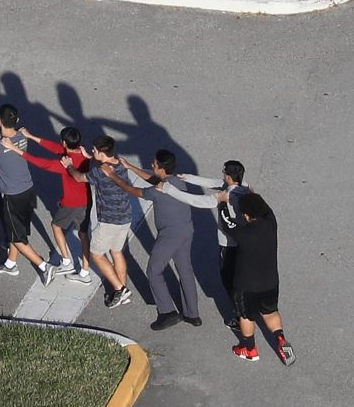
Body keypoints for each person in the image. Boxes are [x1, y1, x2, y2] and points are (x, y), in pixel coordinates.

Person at [105, 151, 213, 330]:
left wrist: (112, 175)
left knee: (154, 271)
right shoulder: (177, 181)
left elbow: (131, 190)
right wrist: (130, 167)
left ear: (162, 169)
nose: (152, 165)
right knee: (185, 270)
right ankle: (192, 314)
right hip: (186, 230)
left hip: (169, 235)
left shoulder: (156, 191)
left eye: (155, 164)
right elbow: (154, 179)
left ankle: (167, 312)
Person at [0, 126, 93, 283]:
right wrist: (31, 136)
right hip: (86, 201)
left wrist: (14, 148)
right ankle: (84, 272)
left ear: (64, 142)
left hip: (72, 204)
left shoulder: (65, 163)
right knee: (83, 234)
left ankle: (66, 262)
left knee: (56, 226)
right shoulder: (83, 154)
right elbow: (54, 148)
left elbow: (40, 163)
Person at [163, 161, 250, 330]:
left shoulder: (225, 198)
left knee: (230, 283)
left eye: (223, 173)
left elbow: (196, 201)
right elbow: (214, 183)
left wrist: (169, 190)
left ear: (228, 176)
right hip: (245, 243)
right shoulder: (244, 187)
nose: (222, 176)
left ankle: (241, 318)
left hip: (228, 246)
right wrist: (188, 178)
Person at [0, 105, 56, 286]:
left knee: (17, 237)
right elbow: (9, 134)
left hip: (12, 196)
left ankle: (43, 265)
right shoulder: (23, 136)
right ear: (17, 121)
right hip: (28, 191)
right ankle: (10, 263)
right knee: (16, 230)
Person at [62, 135, 133, 308]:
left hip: (109, 220)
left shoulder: (100, 172)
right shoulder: (120, 164)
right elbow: (98, 165)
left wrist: (69, 165)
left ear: (102, 153)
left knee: (96, 254)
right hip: (125, 217)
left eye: (94, 150)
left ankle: (119, 289)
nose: (91, 151)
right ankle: (121, 290)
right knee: (116, 252)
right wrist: (90, 157)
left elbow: (79, 177)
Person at [227, 193, 295, 365]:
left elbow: (227, 223)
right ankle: (279, 338)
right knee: (270, 312)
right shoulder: (271, 223)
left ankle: (249, 349)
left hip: (246, 285)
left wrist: (221, 205)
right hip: (270, 282)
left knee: (246, 316)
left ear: (247, 215)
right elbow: (267, 209)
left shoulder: (243, 233)